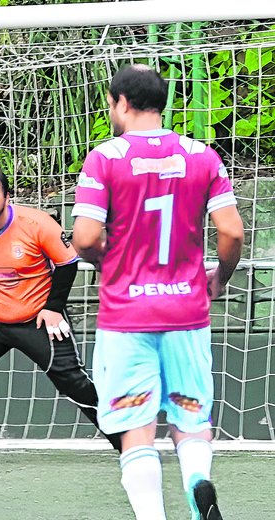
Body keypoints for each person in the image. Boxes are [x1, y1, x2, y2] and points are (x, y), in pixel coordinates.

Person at [71, 65, 244, 520]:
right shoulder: (202, 155)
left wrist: (116, 263)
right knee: (190, 420)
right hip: (186, 312)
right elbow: (231, 232)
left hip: (128, 317)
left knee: (136, 429)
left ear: (121, 103)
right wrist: (219, 277)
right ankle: (197, 485)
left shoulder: (105, 158)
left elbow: (85, 238)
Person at [0, 165, 121, 466]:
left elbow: (67, 264)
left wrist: (52, 309)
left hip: (38, 319)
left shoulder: (37, 224)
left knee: (74, 383)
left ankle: (128, 445)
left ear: (7, 197)